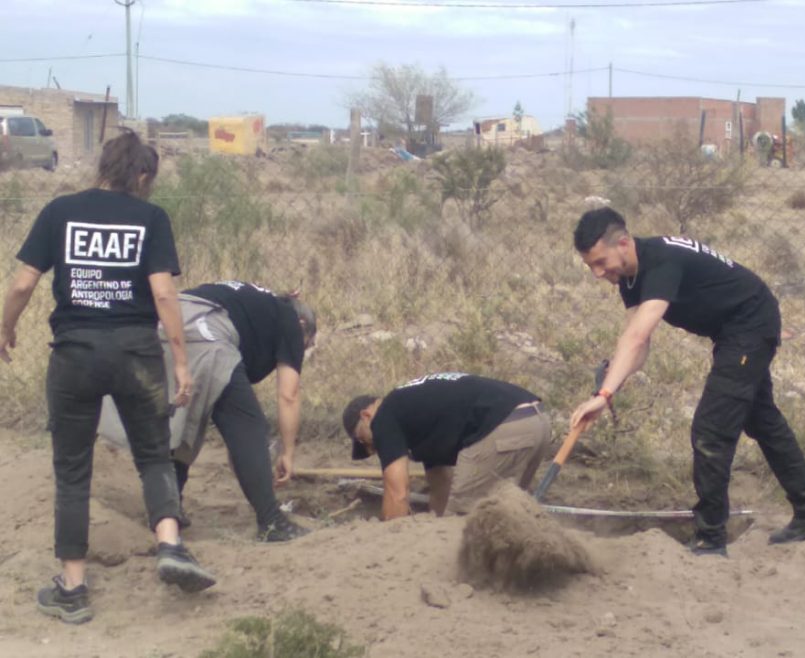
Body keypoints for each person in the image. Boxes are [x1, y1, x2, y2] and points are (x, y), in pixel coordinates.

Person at [0, 130, 216, 624]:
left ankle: (73, 588)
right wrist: (181, 362)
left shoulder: (60, 211)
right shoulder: (150, 218)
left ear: (103, 165)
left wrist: (5, 329)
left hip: (74, 354)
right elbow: (164, 295)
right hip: (137, 354)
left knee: (73, 471)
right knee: (153, 455)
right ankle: (170, 545)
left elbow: (23, 284)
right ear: (141, 175)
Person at [570, 208, 805, 557]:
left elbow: (637, 337)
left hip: (750, 323)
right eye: (591, 266)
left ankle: (710, 538)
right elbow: (637, 344)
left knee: (710, 431)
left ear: (622, 243)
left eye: (601, 262)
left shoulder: (661, 261)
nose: (598, 273)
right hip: (733, 330)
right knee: (762, 420)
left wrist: (604, 394)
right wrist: (608, 388)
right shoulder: (631, 277)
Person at [97, 280, 314, 542]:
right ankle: (272, 522)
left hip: (162, 325)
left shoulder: (260, 303)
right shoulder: (290, 320)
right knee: (249, 425)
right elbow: (288, 396)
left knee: (183, 423)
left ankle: (167, 511)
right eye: (305, 345)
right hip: (204, 332)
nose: (299, 351)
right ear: (302, 324)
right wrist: (287, 452)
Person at [343, 372, 552, 520]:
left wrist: (390, 540)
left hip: (502, 425)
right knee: (506, 514)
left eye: (363, 440)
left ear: (366, 415)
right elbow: (441, 484)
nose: (370, 449)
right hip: (537, 421)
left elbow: (398, 494)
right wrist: (435, 523)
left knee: (461, 522)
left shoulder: (383, 417)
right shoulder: (415, 412)